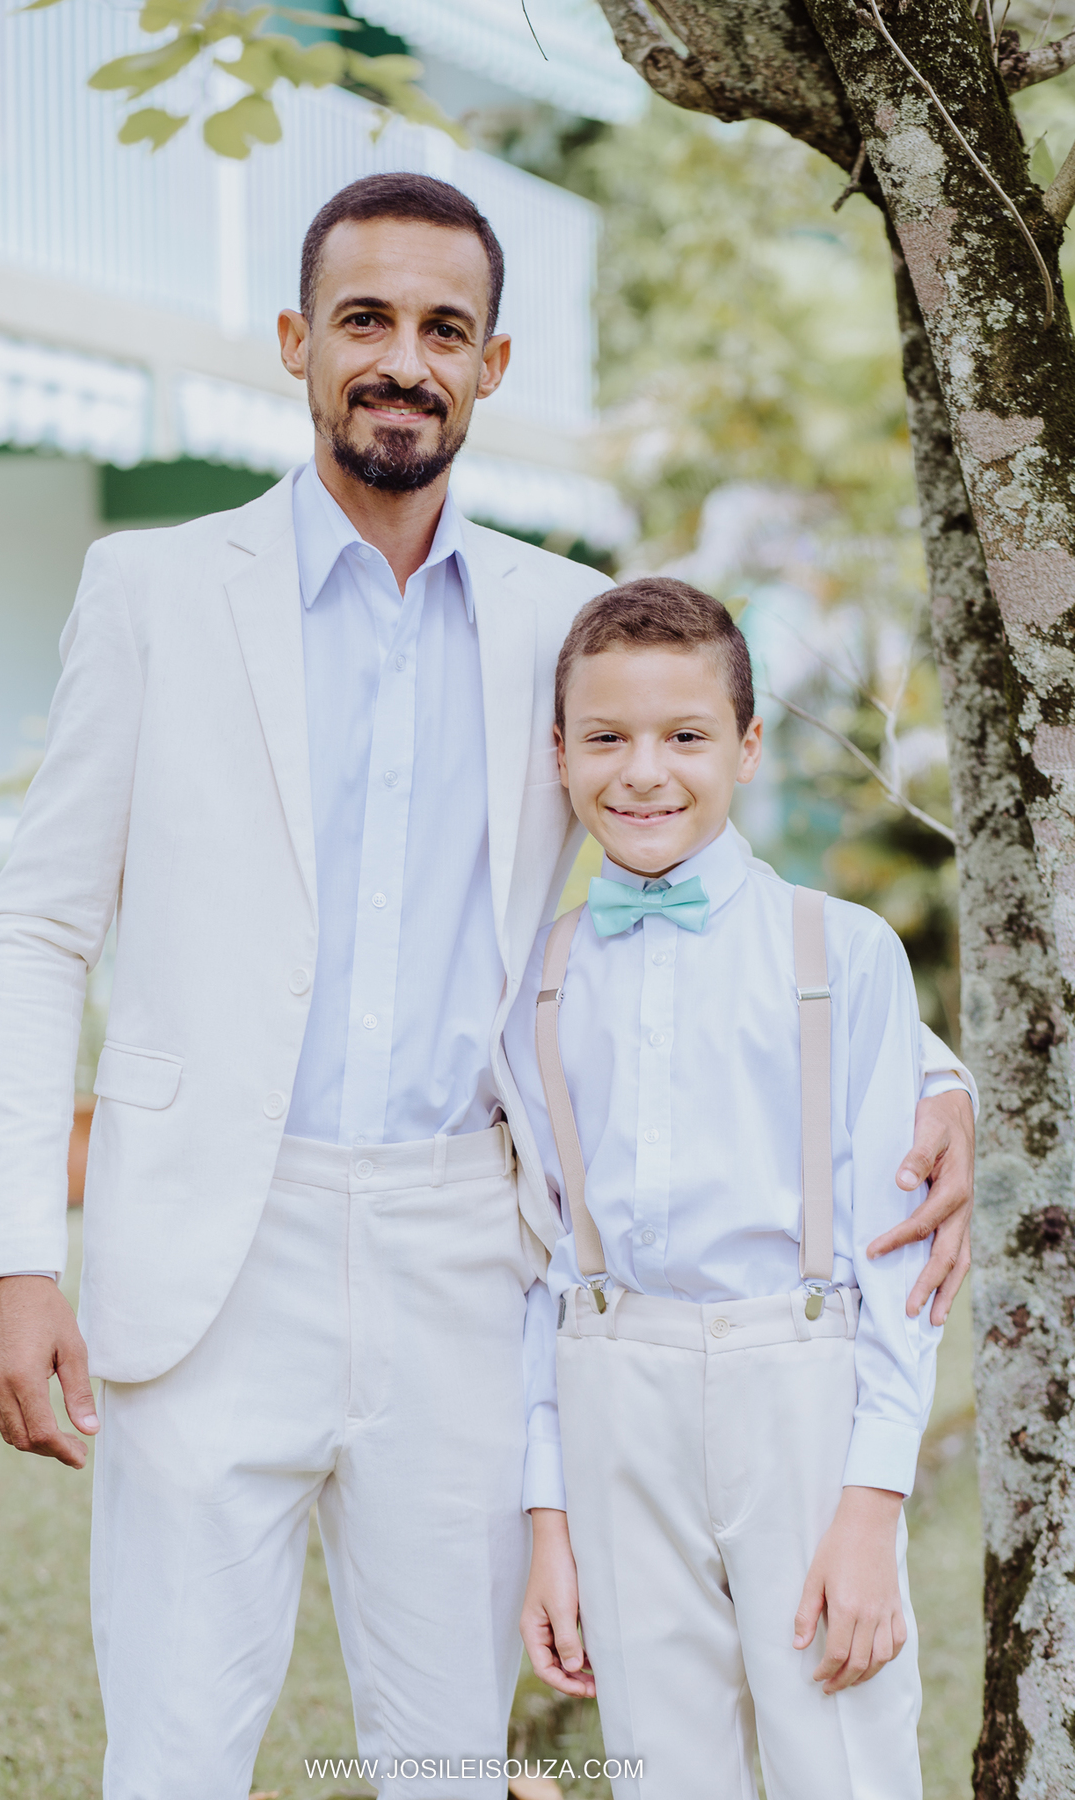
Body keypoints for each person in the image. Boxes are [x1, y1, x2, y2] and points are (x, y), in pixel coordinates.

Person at [0, 175, 975, 1800]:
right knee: (171, 1754)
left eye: (445, 329)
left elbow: (706, 888)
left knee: (442, 1756)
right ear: (299, 342)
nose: (402, 360)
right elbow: (34, 928)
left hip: (463, 1257)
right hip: (208, 1254)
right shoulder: (153, 594)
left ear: (492, 364)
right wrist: (15, 1258)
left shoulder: (559, 626)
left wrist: (935, 1075)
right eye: (365, 319)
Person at [507, 578, 959, 1799]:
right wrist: (551, 1526)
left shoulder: (840, 953)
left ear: (749, 747)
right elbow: (544, 1271)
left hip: (799, 1386)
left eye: (686, 736)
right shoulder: (537, 980)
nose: (643, 772)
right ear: (559, 754)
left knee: (843, 1757)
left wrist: (870, 1509)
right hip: (612, 1392)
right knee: (663, 1769)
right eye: (605, 738)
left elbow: (900, 1255)